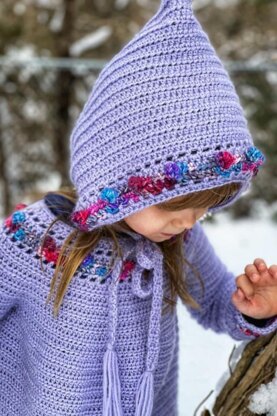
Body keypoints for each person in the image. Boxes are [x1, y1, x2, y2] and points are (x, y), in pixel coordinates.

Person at [0, 0, 276, 415]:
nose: (187, 222)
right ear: (118, 177)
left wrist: (252, 310)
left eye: (204, 207)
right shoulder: (33, 240)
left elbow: (216, 302)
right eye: (176, 206)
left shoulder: (177, 240)